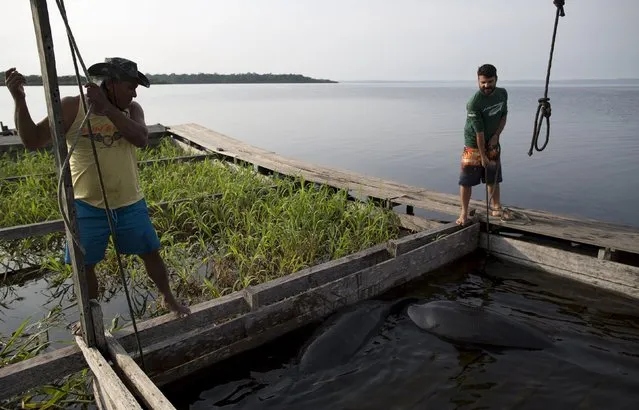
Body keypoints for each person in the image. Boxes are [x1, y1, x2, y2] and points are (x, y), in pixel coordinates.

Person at [4, 57, 191, 318]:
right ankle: (91, 318)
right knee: (85, 265)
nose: (134, 92)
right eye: (129, 86)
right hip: (86, 205)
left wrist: (107, 109)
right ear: (111, 84)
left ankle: (168, 299)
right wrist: (20, 100)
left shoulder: (132, 110)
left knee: (151, 252)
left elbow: (140, 138)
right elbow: (33, 140)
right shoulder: (74, 107)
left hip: (129, 202)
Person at [457, 63, 512, 225]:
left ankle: (496, 207)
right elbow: (478, 133)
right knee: (466, 181)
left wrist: (496, 136)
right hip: (473, 144)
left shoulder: (502, 94)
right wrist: (482, 157)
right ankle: (464, 213)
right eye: (483, 82)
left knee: (493, 177)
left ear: (496, 79)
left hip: (492, 142)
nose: (487, 85)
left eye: (490, 81)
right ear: (478, 81)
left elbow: (503, 116)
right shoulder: (474, 102)